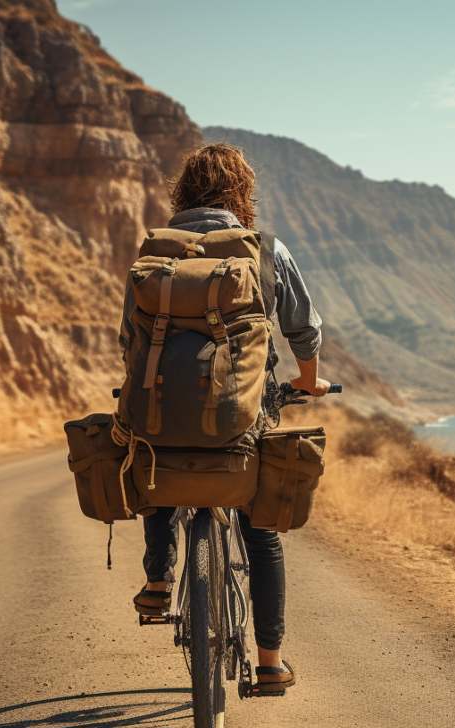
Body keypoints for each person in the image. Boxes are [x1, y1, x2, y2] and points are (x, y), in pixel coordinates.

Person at [128, 143, 330, 694]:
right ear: (242, 193)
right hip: (245, 413)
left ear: (182, 192)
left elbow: (131, 340)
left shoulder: (156, 252)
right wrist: (307, 379)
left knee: (160, 451)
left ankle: (157, 578)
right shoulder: (262, 250)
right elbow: (303, 329)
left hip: (162, 410)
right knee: (259, 530)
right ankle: (269, 662)